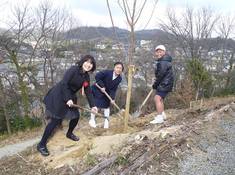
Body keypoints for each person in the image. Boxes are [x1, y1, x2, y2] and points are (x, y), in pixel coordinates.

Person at [37, 55, 98, 156]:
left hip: (70, 97)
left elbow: (88, 91)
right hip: (60, 95)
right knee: (55, 120)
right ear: (83, 61)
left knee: (76, 116)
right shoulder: (73, 70)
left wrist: (93, 105)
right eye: (87, 62)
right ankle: (41, 144)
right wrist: (67, 98)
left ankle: (69, 133)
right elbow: (64, 84)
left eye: (91, 63)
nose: (89, 65)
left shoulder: (86, 76)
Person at [89, 62, 124, 128]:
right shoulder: (107, 72)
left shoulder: (119, 79)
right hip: (97, 89)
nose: (119, 69)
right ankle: (92, 120)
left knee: (106, 107)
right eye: (117, 67)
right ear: (114, 68)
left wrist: (112, 98)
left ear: (122, 70)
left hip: (106, 93)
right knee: (95, 105)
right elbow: (97, 76)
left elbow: (114, 89)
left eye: (120, 68)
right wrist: (102, 86)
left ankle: (106, 123)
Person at [150, 45, 174, 124]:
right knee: (160, 99)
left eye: (160, 51)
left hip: (164, 84)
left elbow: (161, 75)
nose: (158, 53)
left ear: (164, 52)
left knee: (157, 98)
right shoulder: (164, 61)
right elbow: (160, 74)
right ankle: (163, 114)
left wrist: (155, 84)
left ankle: (159, 117)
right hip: (166, 83)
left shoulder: (163, 62)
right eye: (157, 52)